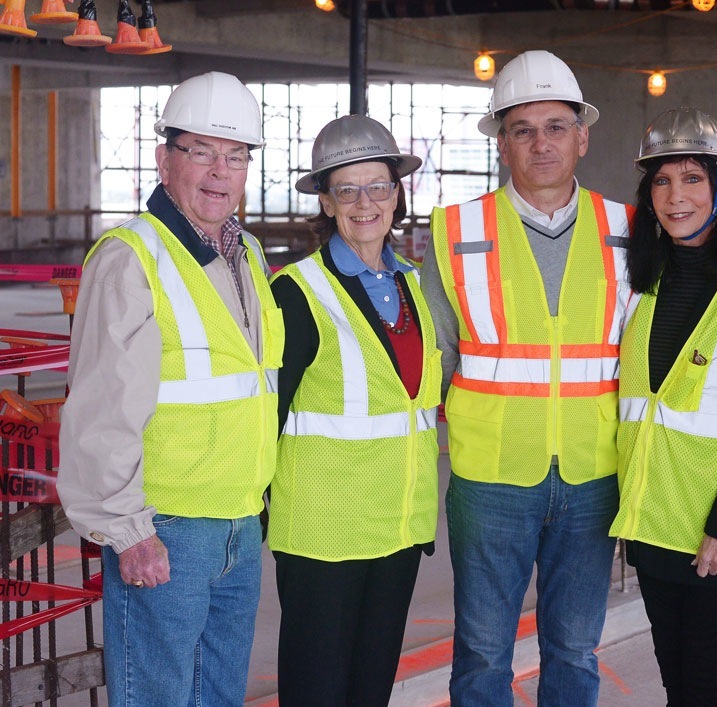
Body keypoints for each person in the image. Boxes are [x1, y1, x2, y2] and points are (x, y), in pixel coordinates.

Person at [57, 71, 282, 706]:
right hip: (167, 526)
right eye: (201, 151)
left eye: (235, 156)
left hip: (238, 519)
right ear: (164, 158)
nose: (219, 172)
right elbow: (101, 410)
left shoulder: (248, 253)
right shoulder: (132, 257)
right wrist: (127, 531)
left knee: (217, 697)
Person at [421, 49, 636, 706]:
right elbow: (437, 358)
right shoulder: (455, 230)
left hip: (593, 473)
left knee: (575, 647)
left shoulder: (628, 228)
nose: (541, 143)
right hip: (489, 478)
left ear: (582, 135)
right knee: (483, 651)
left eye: (555, 126)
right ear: (502, 144)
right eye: (523, 129)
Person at [268, 114, 440, 706]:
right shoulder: (298, 292)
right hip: (323, 539)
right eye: (347, 189)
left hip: (396, 531)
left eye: (379, 186)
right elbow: (266, 418)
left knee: (370, 692)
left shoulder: (413, 287)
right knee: (319, 694)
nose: (365, 202)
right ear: (325, 199)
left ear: (397, 193)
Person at [610, 107, 717, 707]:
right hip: (652, 521)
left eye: (692, 178)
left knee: (704, 679)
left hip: (714, 529)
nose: (676, 196)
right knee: (674, 676)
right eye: (661, 180)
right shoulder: (640, 281)